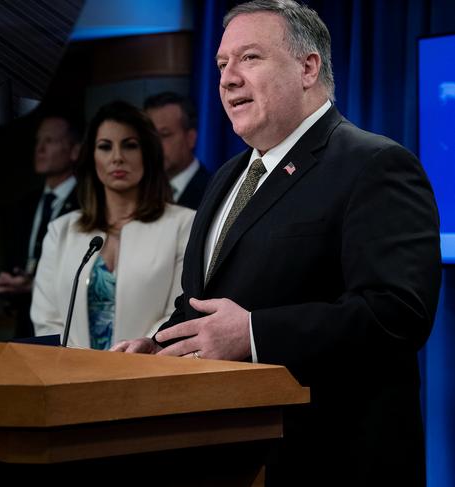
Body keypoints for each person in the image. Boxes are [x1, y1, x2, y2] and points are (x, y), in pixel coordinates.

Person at [111, 1, 442, 485]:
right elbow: (201, 304)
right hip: (228, 453)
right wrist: (158, 347)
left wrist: (252, 334)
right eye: (222, 64)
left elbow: (397, 314)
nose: (227, 79)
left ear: (308, 67)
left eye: (249, 58)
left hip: (332, 458)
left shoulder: (374, 164)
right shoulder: (227, 176)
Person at [31, 101, 194, 349]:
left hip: (148, 371)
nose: (117, 158)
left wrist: (141, 350)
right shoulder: (60, 230)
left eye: (129, 146)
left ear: (147, 154)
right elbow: (46, 320)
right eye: (105, 147)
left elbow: (178, 310)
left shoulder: (184, 224)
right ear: (92, 157)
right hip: (69, 376)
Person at [0, 109, 82, 338]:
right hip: (24, 325)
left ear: (75, 150)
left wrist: (36, 284)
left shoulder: (87, 204)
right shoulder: (23, 206)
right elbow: (14, 262)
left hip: (69, 327)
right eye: (38, 141)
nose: (40, 149)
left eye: (50, 141)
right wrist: (8, 289)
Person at [144, 91, 210, 209]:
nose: (154, 144)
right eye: (150, 136)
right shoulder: (141, 192)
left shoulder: (213, 191)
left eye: (164, 135)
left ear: (190, 138)